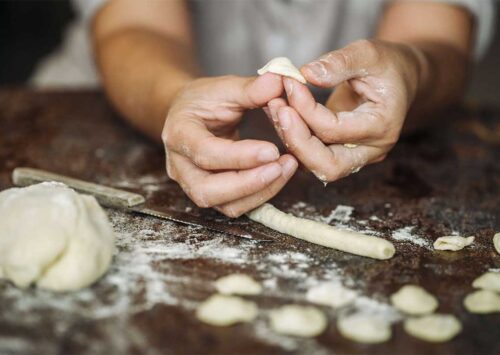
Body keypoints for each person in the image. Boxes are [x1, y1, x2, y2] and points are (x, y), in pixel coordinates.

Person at [32, 0, 494, 217]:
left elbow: (438, 33)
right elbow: (135, 22)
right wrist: (172, 98)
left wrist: (409, 69)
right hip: (105, 100)